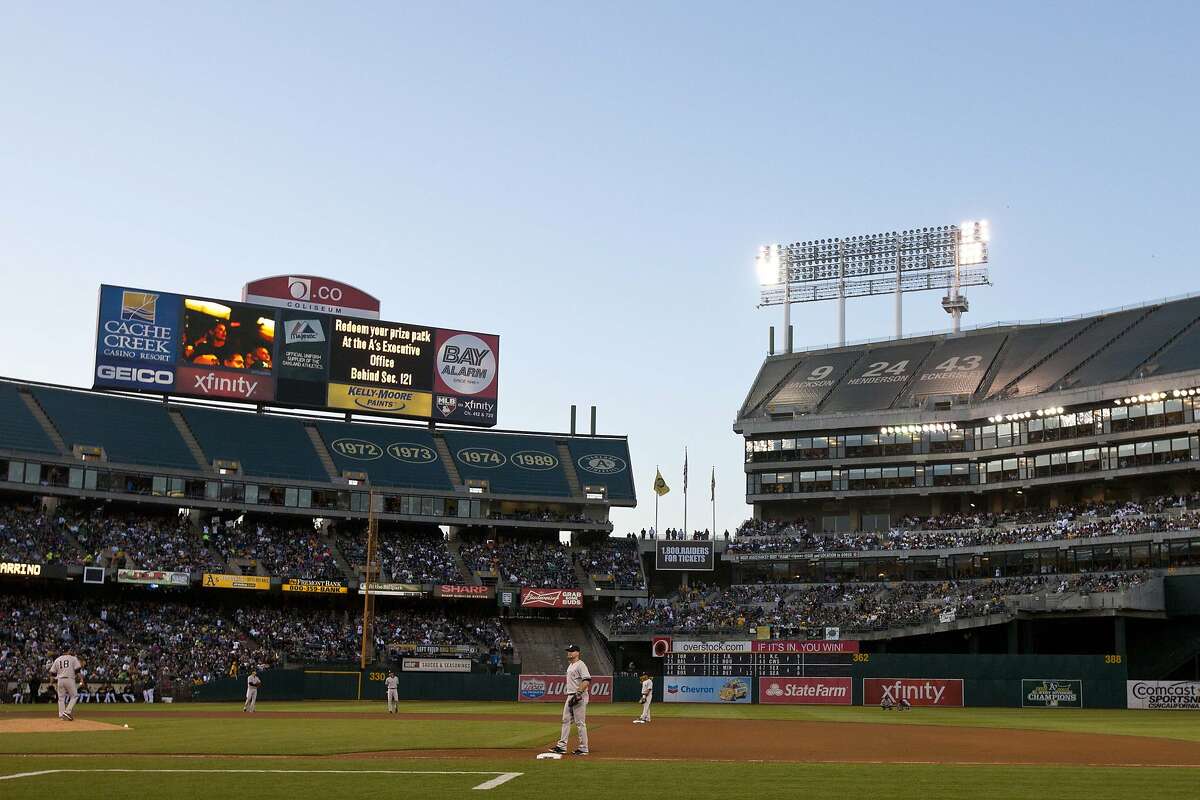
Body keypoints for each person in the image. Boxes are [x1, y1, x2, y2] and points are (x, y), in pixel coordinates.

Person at [547, 644, 590, 756]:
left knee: (580, 723)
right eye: (568, 651)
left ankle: (583, 748)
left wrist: (578, 693)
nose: (569, 653)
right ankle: (562, 746)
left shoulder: (581, 665)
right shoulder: (570, 665)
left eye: (572, 651)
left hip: (578, 696)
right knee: (565, 720)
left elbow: (587, 680)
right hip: (570, 695)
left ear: (577, 653)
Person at [50, 649, 83, 721]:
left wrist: (51, 683)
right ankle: (67, 712)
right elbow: (77, 671)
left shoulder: (57, 659)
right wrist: (81, 679)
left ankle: (62, 715)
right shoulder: (73, 658)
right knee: (74, 696)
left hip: (60, 680)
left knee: (61, 698)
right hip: (69, 679)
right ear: (69, 650)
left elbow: (52, 673)